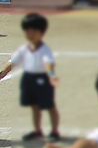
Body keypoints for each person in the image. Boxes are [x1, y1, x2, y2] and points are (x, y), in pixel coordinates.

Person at [0, 13, 61, 141]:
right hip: (28, 79)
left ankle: (55, 131)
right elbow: (12, 61)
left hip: (43, 79)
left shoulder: (44, 49)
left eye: (34, 32)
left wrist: (51, 76)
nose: (30, 35)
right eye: (28, 32)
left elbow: (49, 64)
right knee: (34, 106)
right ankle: (37, 130)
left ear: (42, 33)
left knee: (49, 106)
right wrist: (2, 72)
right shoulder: (24, 48)